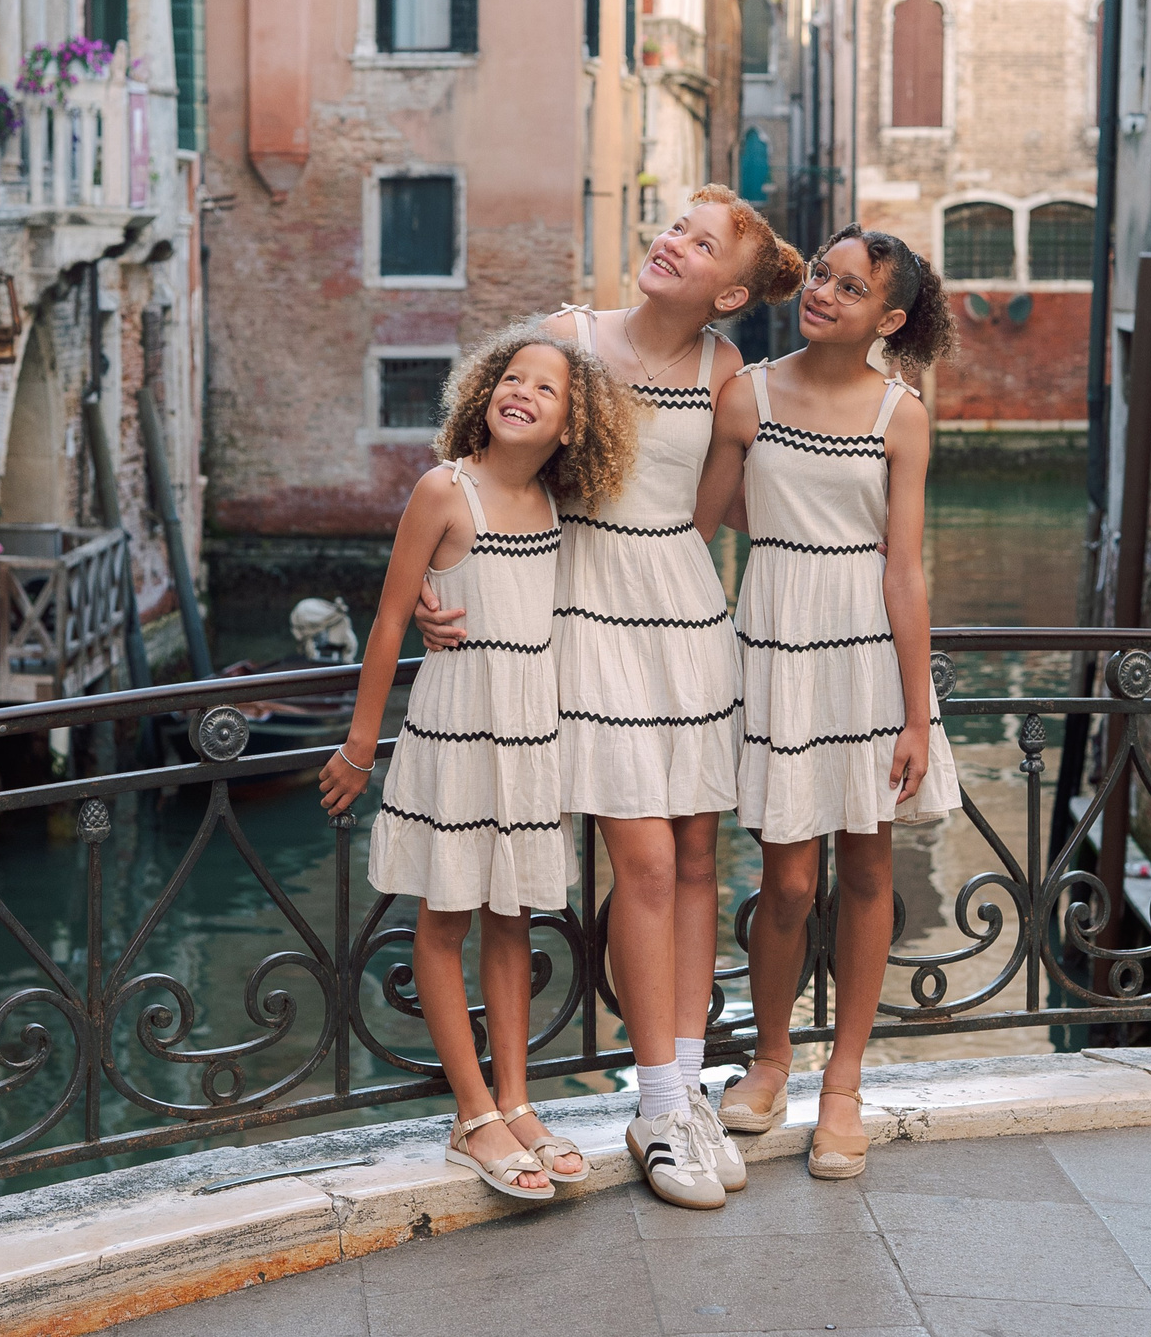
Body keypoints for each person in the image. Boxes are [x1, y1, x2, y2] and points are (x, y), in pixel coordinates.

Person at [417, 187, 803, 1210]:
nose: (670, 241)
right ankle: (657, 1097)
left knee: (692, 859)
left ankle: (676, 1098)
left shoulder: (727, 373)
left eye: (699, 240)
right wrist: (436, 584)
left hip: (685, 612)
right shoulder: (566, 337)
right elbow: (478, 462)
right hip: (583, 615)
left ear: (728, 290)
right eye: (672, 224)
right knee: (636, 858)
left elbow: (712, 514)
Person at [320, 320, 638, 1201]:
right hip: (455, 730)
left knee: (513, 919)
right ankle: (472, 1114)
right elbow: (390, 620)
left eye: (547, 389)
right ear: (483, 391)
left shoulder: (556, 509)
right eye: (512, 376)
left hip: (529, 736)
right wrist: (358, 744)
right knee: (445, 915)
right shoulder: (442, 490)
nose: (522, 392)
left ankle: (517, 1100)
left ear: (572, 428)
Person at [694, 226, 961, 1180]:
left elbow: (905, 566)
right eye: (821, 274)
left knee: (869, 868)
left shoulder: (903, 414)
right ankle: (771, 1059)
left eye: (851, 288)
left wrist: (917, 713)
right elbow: (703, 518)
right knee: (789, 878)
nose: (825, 293)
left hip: (868, 656)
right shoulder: (748, 393)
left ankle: (843, 1081)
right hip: (776, 640)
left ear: (888, 318)